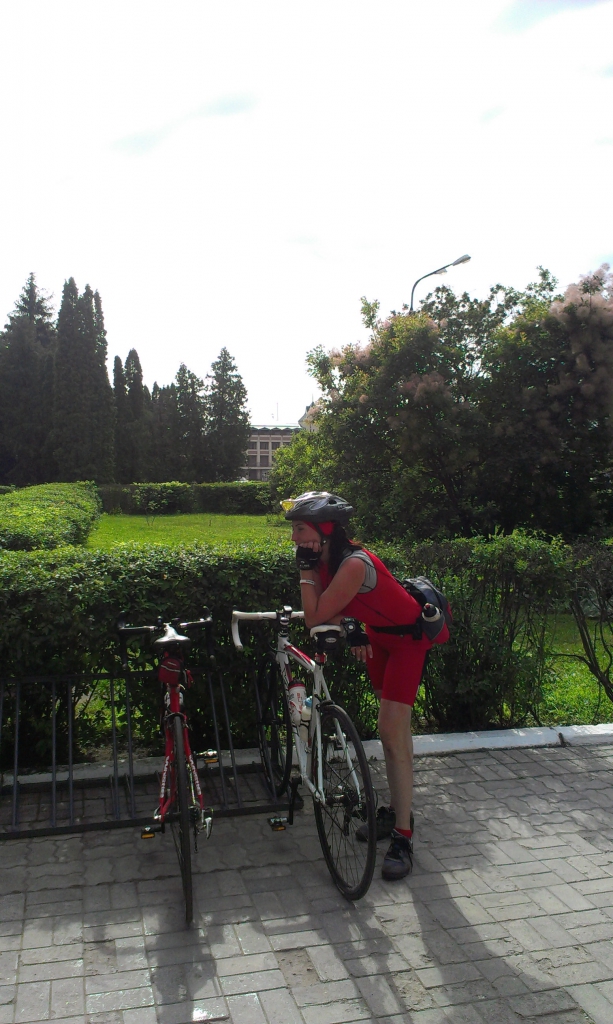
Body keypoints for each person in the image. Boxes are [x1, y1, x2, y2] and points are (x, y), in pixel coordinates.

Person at [283, 490, 448, 881]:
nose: (294, 538)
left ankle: (403, 836)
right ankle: (398, 811)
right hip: (378, 639)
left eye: (301, 529)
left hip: (408, 641)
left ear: (325, 530)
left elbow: (315, 616)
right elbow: (335, 610)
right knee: (395, 734)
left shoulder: (353, 563)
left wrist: (305, 572)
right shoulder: (326, 560)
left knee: (391, 733)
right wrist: (352, 625)